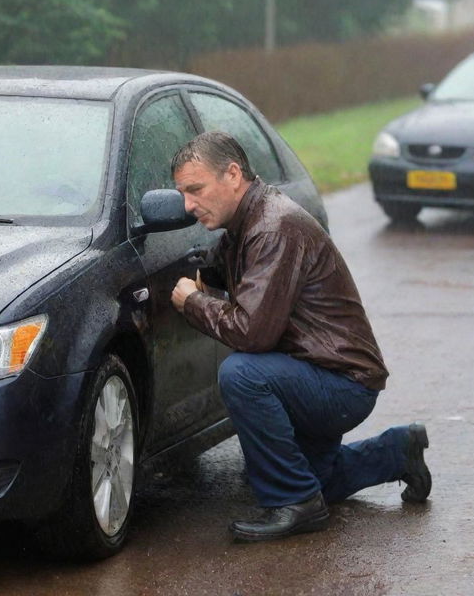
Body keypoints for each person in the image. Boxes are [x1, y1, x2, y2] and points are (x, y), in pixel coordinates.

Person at [170, 131, 431, 542]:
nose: (188, 205)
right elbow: (230, 268)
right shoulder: (246, 221)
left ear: (233, 174)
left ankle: (294, 503)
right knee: (320, 480)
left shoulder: (273, 227)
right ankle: (399, 450)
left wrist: (193, 303)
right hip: (312, 371)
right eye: (182, 193)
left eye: (195, 189)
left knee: (242, 373)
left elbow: (252, 333)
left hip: (341, 382)